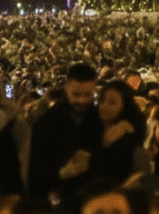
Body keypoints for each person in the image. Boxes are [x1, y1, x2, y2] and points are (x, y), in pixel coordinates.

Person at [28, 63, 103, 204]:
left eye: (88, 95)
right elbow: (34, 170)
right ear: (66, 88)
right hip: (61, 200)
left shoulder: (102, 119)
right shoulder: (46, 122)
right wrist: (61, 173)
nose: (82, 100)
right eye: (76, 94)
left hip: (95, 200)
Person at [95, 80, 148, 185]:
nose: (104, 106)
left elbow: (144, 178)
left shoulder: (129, 142)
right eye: (101, 100)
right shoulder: (89, 128)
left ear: (124, 106)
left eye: (112, 102)